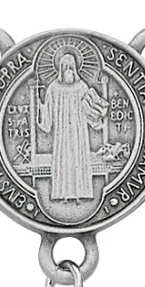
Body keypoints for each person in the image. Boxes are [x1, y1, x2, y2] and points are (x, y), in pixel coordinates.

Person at [37, 54, 105, 201]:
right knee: (63, 160)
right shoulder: (53, 88)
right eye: (65, 67)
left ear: (75, 68)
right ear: (60, 69)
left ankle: (81, 193)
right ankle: (62, 194)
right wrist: (40, 108)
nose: (68, 70)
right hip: (61, 133)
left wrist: (97, 114)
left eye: (71, 67)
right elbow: (47, 112)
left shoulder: (82, 87)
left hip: (79, 131)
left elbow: (90, 109)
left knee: (78, 159)